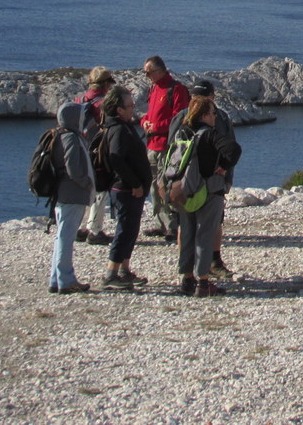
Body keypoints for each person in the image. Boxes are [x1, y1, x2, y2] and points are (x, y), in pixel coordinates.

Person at [174, 96, 242, 297]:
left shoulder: (182, 133)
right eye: (212, 113)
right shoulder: (210, 135)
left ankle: (186, 279)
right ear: (204, 115)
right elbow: (234, 149)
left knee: (187, 233)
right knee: (204, 235)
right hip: (208, 191)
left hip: (184, 190)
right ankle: (203, 282)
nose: (215, 117)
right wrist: (223, 167)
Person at [100, 85, 151, 290]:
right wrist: (135, 184)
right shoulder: (119, 130)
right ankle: (111, 273)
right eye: (129, 105)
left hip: (131, 189)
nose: (133, 108)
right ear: (119, 110)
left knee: (131, 230)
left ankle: (124, 269)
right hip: (125, 189)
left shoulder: (125, 126)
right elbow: (117, 159)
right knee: (124, 230)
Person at [140, 56, 190, 241]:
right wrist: (144, 122)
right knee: (153, 185)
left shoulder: (176, 90)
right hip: (151, 145)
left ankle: (172, 225)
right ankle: (160, 222)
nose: (146, 75)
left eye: (149, 72)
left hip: (165, 146)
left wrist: (157, 126)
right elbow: (149, 114)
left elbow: (180, 118)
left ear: (160, 70)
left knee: (164, 185)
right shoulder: (154, 89)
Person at [48, 103, 95, 294]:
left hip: (63, 193)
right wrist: (87, 183)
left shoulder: (60, 135)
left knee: (62, 236)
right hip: (72, 194)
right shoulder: (71, 138)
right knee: (66, 238)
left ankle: (56, 279)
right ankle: (66, 280)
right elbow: (74, 169)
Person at [75, 66, 115, 245]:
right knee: (100, 190)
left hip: (80, 150)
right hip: (99, 152)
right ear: (106, 83)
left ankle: (80, 228)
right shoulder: (104, 104)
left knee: (85, 189)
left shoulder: (79, 100)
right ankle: (95, 230)